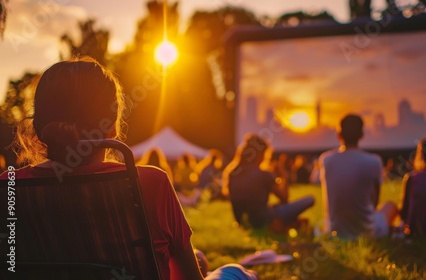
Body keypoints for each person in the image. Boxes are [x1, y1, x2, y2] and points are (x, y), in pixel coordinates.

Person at [0, 57, 255, 280]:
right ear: (112, 125)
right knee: (238, 272)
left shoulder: (9, 187)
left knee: (197, 256)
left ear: (37, 125)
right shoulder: (149, 183)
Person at [319, 114, 398, 239]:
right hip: (366, 232)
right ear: (362, 135)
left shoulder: (326, 160)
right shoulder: (374, 161)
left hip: (335, 232)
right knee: (391, 206)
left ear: (339, 135)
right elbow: (374, 202)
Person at [222, 134, 315, 229]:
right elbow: (284, 198)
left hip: (242, 222)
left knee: (277, 207)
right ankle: (287, 224)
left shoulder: (232, 173)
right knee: (310, 199)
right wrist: (283, 176)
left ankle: (289, 224)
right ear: (260, 154)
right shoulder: (263, 174)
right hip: (266, 219)